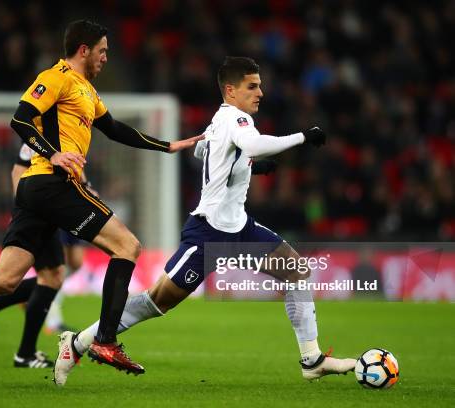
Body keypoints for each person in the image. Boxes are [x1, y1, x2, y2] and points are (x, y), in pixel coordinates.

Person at [0, 20, 202, 376]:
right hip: (53, 183)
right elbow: (20, 119)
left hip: (38, 191)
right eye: (102, 51)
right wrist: (53, 154)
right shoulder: (57, 77)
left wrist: (168, 146)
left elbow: (113, 129)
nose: (106, 58)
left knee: (5, 279)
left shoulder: (86, 90)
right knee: (127, 247)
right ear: (84, 50)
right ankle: (105, 340)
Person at [53, 56, 357, 386]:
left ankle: (311, 359)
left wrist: (248, 165)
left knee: (297, 271)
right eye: (252, 86)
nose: (260, 93)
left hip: (240, 229)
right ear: (231, 90)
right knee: (157, 302)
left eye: (260, 86)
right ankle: (78, 342)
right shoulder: (234, 118)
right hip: (208, 233)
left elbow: (205, 153)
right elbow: (251, 143)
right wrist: (302, 136)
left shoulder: (219, 123)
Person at [0, 143, 86, 368]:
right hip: (39, 213)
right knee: (38, 278)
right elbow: (18, 170)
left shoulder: (67, 131)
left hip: (55, 209)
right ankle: (21, 346)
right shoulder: (39, 136)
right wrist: (25, 209)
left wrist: (86, 186)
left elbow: (73, 165)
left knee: (54, 275)